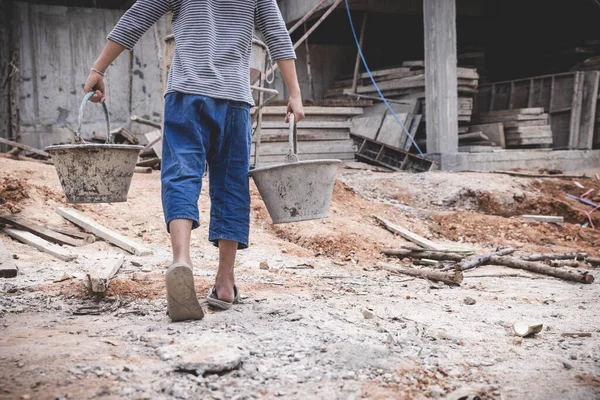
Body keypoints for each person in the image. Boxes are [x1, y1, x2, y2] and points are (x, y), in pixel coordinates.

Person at [84, 0, 305, 321]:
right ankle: (225, 283)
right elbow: (277, 34)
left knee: (181, 173)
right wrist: (294, 94)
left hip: (186, 93)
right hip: (234, 100)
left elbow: (136, 19)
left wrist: (98, 69)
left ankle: (182, 260)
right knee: (232, 185)